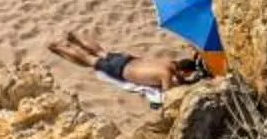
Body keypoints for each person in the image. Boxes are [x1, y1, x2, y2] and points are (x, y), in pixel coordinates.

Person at [47, 32, 214, 93]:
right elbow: (169, 94)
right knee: (89, 59)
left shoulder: (168, 63)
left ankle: (75, 37)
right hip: (121, 69)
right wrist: (186, 84)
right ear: (184, 72)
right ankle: (61, 47)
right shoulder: (166, 74)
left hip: (127, 59)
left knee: (100, 52)